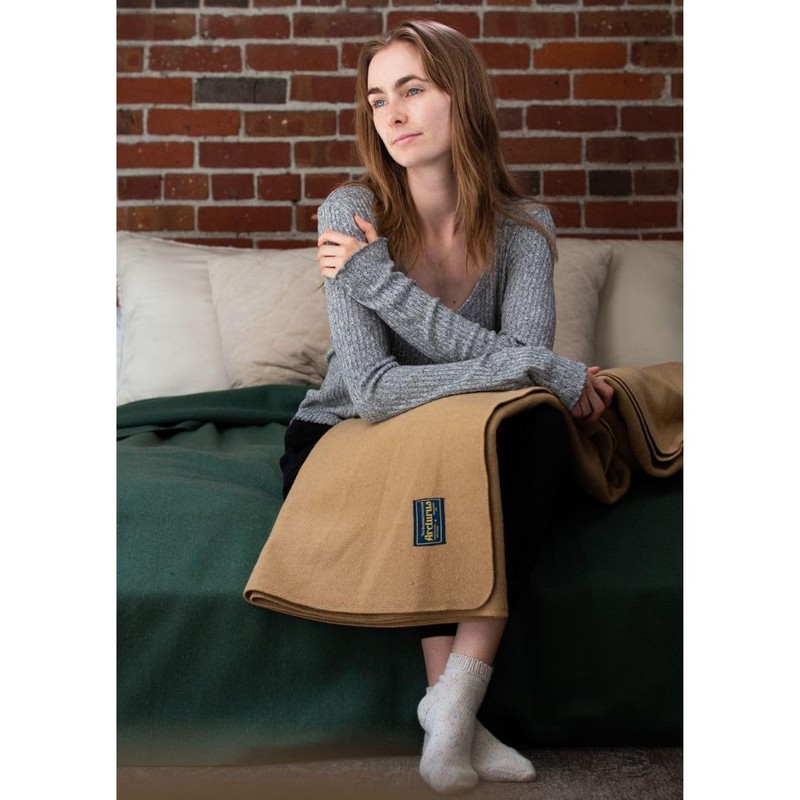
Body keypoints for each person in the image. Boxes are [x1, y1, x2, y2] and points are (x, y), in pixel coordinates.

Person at [279, 19, 613, 795]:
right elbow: (376, 389)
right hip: (348, 434)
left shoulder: (525, 230)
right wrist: (537, 364)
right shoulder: (350, 212)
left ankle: (452, 703)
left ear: (461, 97)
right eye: (376, 99)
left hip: (463, 439)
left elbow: (524, 386)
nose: (391, 114)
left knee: (536, 426)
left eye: (412, 90)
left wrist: (386, 288)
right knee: (463, 448)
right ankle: (456, 716)